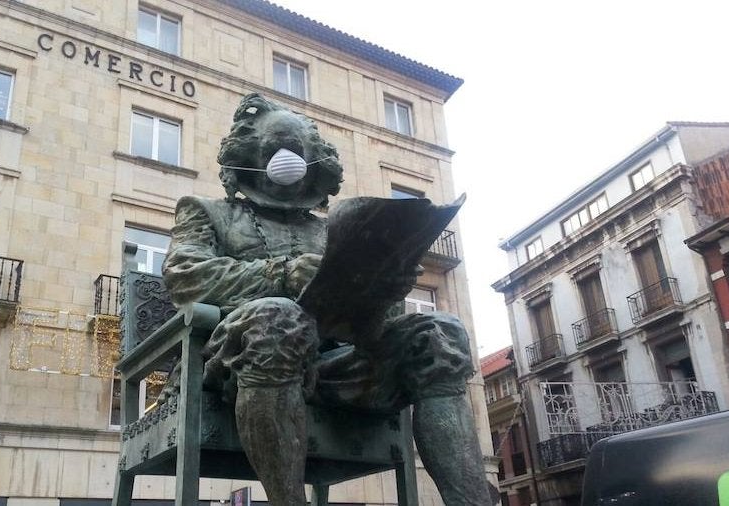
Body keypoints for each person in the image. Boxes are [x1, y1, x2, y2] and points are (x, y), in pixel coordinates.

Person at [162, 93, 489, 505]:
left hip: (336, 365)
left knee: (441, 332)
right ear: (249, 154)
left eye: (297, 151)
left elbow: (373, 325)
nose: (288, 158)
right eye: (276, 148)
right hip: (239, 365)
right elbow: (185, 277)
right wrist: (280, 273)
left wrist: (387, 287)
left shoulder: (329, 229)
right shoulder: (207, 212)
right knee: (279, 317)